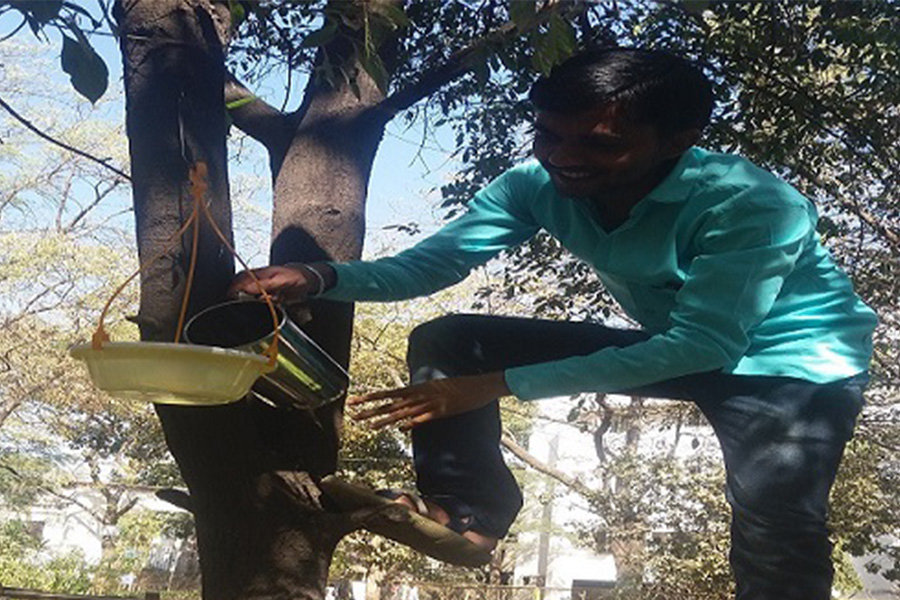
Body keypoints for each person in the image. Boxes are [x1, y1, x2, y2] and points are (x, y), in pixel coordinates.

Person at [229, 48, 877, 600]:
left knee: (774, 529)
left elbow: (707, 344)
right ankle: (465, 512)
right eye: (549, 134)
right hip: (685, 338)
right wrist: (319, 277)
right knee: (452, 340)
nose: (565, 157)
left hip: (793, 368)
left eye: (601, 143)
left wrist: (496, 385)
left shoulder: (751, 205)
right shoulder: (535, 186)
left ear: (678, 140)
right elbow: (435, 265)